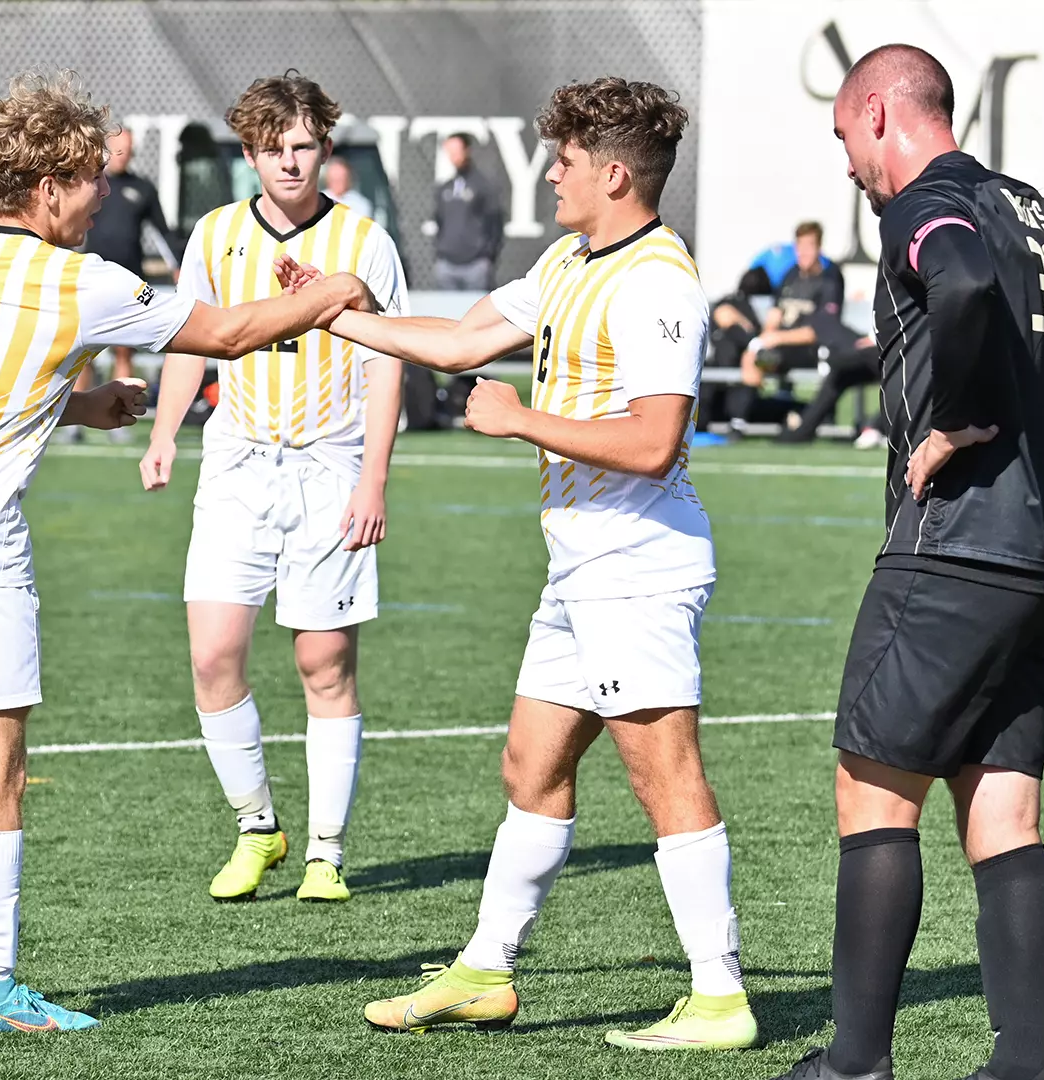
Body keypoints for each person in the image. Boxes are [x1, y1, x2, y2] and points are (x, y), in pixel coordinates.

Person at [0, 71, 374, 1035]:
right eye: (89, 179)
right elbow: (230, 331)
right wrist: (337, 290)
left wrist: (80, 403)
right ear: (47, 190)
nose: (101, 196)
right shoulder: (80, 281)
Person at [283, 75, 759, 1052]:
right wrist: (331, 318)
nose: (551, 172)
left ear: (615, 173)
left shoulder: (659, 279)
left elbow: (655, 441)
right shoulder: (571, 259)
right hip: (580, 567)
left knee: (663, 774)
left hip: (638, 564)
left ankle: (719, 995)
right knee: (529, 766)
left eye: (568, 159)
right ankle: (486, 972)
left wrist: (516, 420)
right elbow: (460, 343)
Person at [766, 44, 1044, 1080]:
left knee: (873, 793)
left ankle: (855, 1063)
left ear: (882, 113)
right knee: (1003, 808)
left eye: (847, 136)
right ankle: (1020, 1067)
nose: (849, 163)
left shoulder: (924, 208)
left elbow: (965, 282)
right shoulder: (1031, 209)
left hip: (953, 553)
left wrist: (955, 420)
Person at [138, 72, 407, 905]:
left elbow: (386, 360)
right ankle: (258, 827)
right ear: (249, 153)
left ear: (325, 149)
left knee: (322, 660)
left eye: (306, 146)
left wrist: (372, 481)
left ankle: (326, 850)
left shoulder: (364, 243)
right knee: (213, 655)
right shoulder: (217, 235)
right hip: (238, 466)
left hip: (329, 467)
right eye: (276, 148)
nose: (293, 162)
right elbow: (190, 340)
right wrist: (162, 433)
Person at [69, 127, 183, 444]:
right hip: (90, 278)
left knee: (123, 352)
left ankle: (118, 419)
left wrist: (178, 264)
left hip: (128, 281)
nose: (123, 155)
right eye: (118, 149)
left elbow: (163, 231)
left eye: (128, 149)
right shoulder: (91, 185)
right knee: (82, 352)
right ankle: (76, 422)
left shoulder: (142, 189)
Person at [726, 221, 845, 431]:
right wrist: (762, 340)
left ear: (818, 247)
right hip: (782, 350)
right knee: (754, 354)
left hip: (811, 350)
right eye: (800, 247)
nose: (804, 253)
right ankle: (749, 417)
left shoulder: (830, 278)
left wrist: (776, 339)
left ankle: (741, 420)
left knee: (757, 358)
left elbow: (820, 329)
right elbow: (775, 313)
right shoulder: (791, 275)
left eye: (809, 246)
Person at [431, 132, 505, 290]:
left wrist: (486, 255)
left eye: (456, 151)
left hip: (475, 265)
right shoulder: (445, 188)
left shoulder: (483, 186)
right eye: (449, 152)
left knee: (476, 312)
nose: (453, 156)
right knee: (444, 313)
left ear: (467, 150)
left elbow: (495, 222)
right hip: (447, 264)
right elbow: (440, 220)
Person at [323, 154, 374, 220]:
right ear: (328, 180)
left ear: (348, 179)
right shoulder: (318, 201)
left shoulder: (361, 204)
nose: (337, 183)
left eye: (341, 179)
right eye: (334, 179)